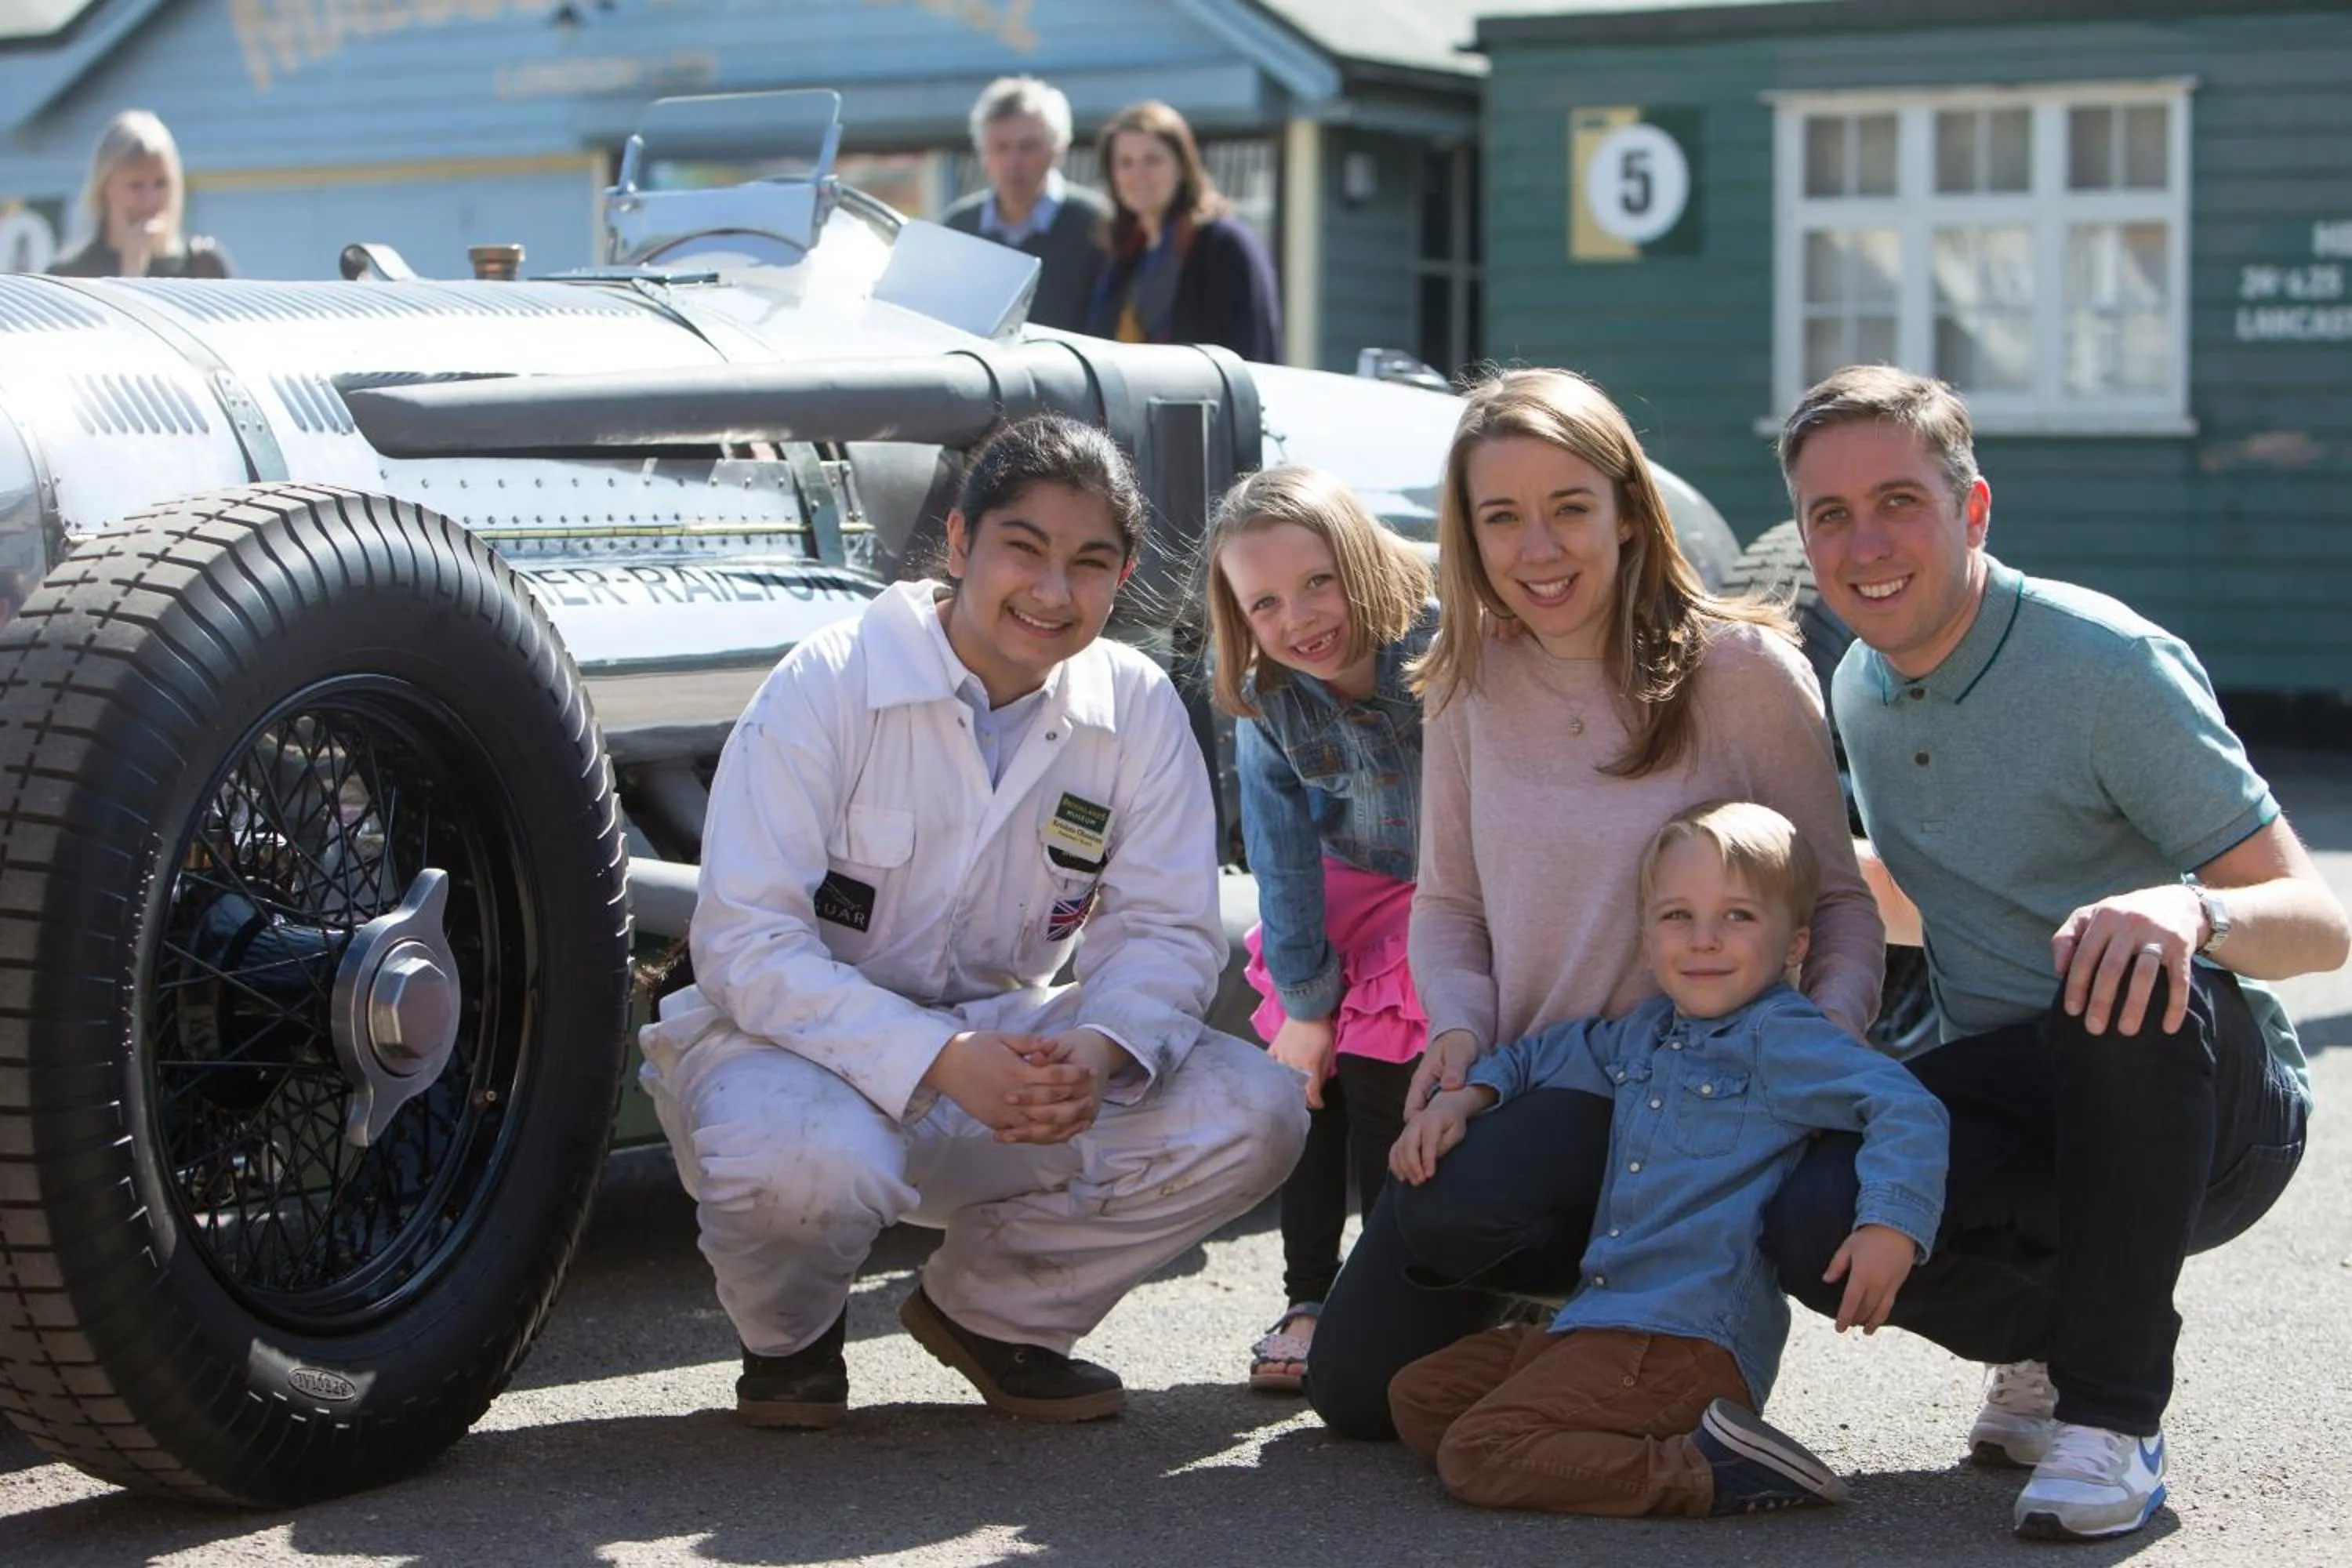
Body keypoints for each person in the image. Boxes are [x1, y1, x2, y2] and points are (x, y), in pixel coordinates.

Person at [1762, 365, 2350, 1541]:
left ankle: (2113, 1417)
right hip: (2020, 1087)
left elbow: (2319, 920)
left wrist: (2190, 911)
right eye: (1829, 515)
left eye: (1898, 502)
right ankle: (2050, 1338)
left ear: (1974, 511)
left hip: (2207, 1101)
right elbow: (1946, 893)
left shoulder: (2105, 666)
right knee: (1804, 1208)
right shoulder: (1859, 687)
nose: (1864, 542)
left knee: (2112, 978)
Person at [639, 414, 1308, 1431]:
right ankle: (791, 1338)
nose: (1052, 591)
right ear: (959, 544)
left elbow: (1169, 934)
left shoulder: (1134, 708)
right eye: (1023, 550)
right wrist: (937, 1058)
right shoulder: (831, 682)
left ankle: (995, 1316)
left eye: (1089, 563)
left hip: (1002, 1058)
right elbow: (746, 943)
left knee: (1256, 1110)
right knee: (808, 1162)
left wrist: (1097, 1047)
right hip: (780, 1055)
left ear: (1121, 578)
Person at [1305, 368, 1886, 1440]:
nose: (1541, 549)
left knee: (1463, 1203)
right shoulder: (1466, 684)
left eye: (1570, 508)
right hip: (1527, 1086)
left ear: (1628, 512)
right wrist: (1463, 1032)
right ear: (1468, 539)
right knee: (1354, 1398)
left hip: (1695, 1099)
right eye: (1503, 519)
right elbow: (1447, 904)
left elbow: (1841, 901)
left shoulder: (1744, 671)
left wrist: (1819, 1045)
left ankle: (1644, 1323)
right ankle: (1565, 1327)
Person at [1387, 800, 1947, 1517]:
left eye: (1739, 917)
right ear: (1647, 939)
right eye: (1678, 916)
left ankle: (1711, 1470)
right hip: (1602, 1320)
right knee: (1420, 1398)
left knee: (1477, 1452)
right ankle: (1607, 1439)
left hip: (1686, 1340)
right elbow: (1543, 1056)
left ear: (1795, 943)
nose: (1705, 940)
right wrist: (1461, 1100)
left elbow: (1905, 1105)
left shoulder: (1785, 1037)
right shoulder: (1646, 1032)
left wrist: (1890, 1225)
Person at [1202, 465, 1438, 1392]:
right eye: (1265, 602)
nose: (1299, 617)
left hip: (1447, 889)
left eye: (1317, 581)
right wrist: (1305, 1004)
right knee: (1311, 1076)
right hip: (1343, 887)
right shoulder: (1269, 700)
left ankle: (1389, 1295)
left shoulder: (1443, 648)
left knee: (1384, 1073)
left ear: (1361, 559)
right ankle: (1309, 1294)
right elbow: (1283, 855)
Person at [1081, 100, 1280, 362]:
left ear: (1183, 167)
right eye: (1125, 162)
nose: (1138, 174)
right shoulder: (1123, 253)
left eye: (1152, 160)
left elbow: (1253, 350)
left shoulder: (1223, 245)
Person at [940, 76, 1109, 332]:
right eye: (1001, 148)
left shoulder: (1096, 224)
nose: (1013, 161)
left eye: (1028, 147)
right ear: (983, 154)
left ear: (1058, 149)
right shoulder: (959, 228)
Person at [49, 110, 230, 280]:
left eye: (161, 184)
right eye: (136, 186)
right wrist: (132, 271)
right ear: (104, 187)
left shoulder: (204, 267)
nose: (150, 200)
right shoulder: (70, 276)